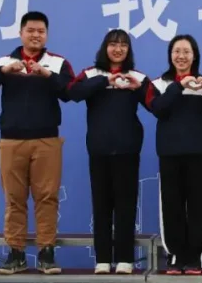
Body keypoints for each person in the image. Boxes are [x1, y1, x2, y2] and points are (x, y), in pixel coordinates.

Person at [0, 11, 75, 275]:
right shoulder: (5, 62)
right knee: (14, 199)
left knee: (47, 198)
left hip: (46, 140)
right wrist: (3, 72)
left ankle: (46, 253)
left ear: (47, 35)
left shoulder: (57, 62)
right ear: (21, 33)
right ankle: (15, 254)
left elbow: (70, 92)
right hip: (11, 141)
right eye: (30, 30)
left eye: (41, 31)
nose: (35, 35)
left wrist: (47, 75)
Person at [67, 29, 149, 275]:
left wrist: (137, 88)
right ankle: (102, 258)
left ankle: (125, 258)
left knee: (126, 206)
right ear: (105, 48)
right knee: (101, 207)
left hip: (127, 150)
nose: (118, 49)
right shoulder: (91, 74)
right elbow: (73, 93)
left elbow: (156, 104)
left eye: (123, 45)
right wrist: (106, 81)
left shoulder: (137, 77)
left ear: (128, 50)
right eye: (113, 44)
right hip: (99, 150)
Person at [146, 34, 202, 275]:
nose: (181, 56)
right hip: (169, 153)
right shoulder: (159, 84)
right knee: (172, 207)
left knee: (198, 207)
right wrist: (179, 86)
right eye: (177, 51)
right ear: (170, 55)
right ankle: (175, 256)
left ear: (194, 56)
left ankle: (196, 257)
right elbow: (157, 109)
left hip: (199, 154)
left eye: (186, 52)